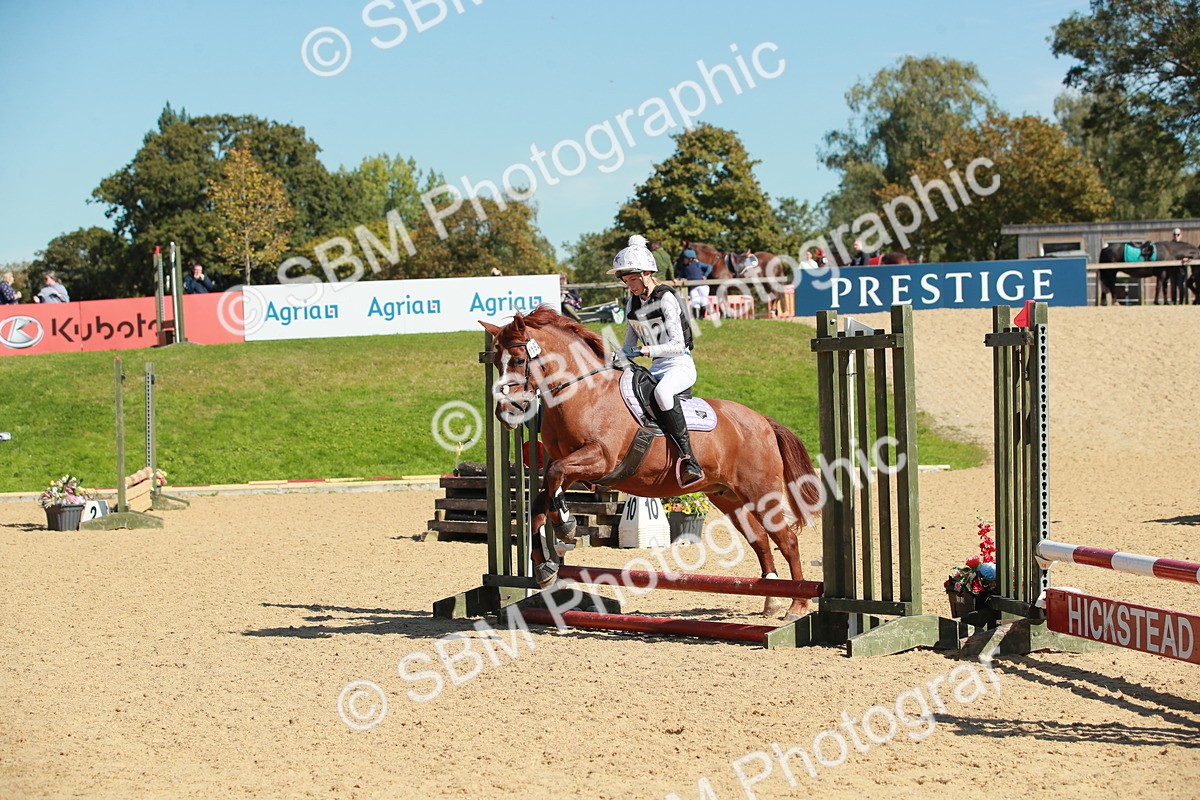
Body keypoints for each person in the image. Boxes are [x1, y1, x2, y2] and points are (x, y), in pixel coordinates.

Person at [608, 234, 704, 485]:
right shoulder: (632, 302)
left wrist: (644, 351)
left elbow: (677, 345)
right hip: (657, 368)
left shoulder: (667, 298)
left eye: (633, 279)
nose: (630, 285)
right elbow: (629, 343)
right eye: (626, 280)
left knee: (662, 394)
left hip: (679, 365)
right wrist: (616, 357)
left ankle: (689, 459)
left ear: (647, 274)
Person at [676, 248, 712, 319]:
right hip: (693, 287)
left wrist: (705, 275)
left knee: (703, 301)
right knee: (695, 302)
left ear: (690, 259)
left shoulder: (698, 264)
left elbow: (709, 267)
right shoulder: (685, 268)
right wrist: (676, 279)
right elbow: (680, 275)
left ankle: (702, 317)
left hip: (702, 286)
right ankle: (696, 318)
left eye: (685, 258)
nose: (683, 260)